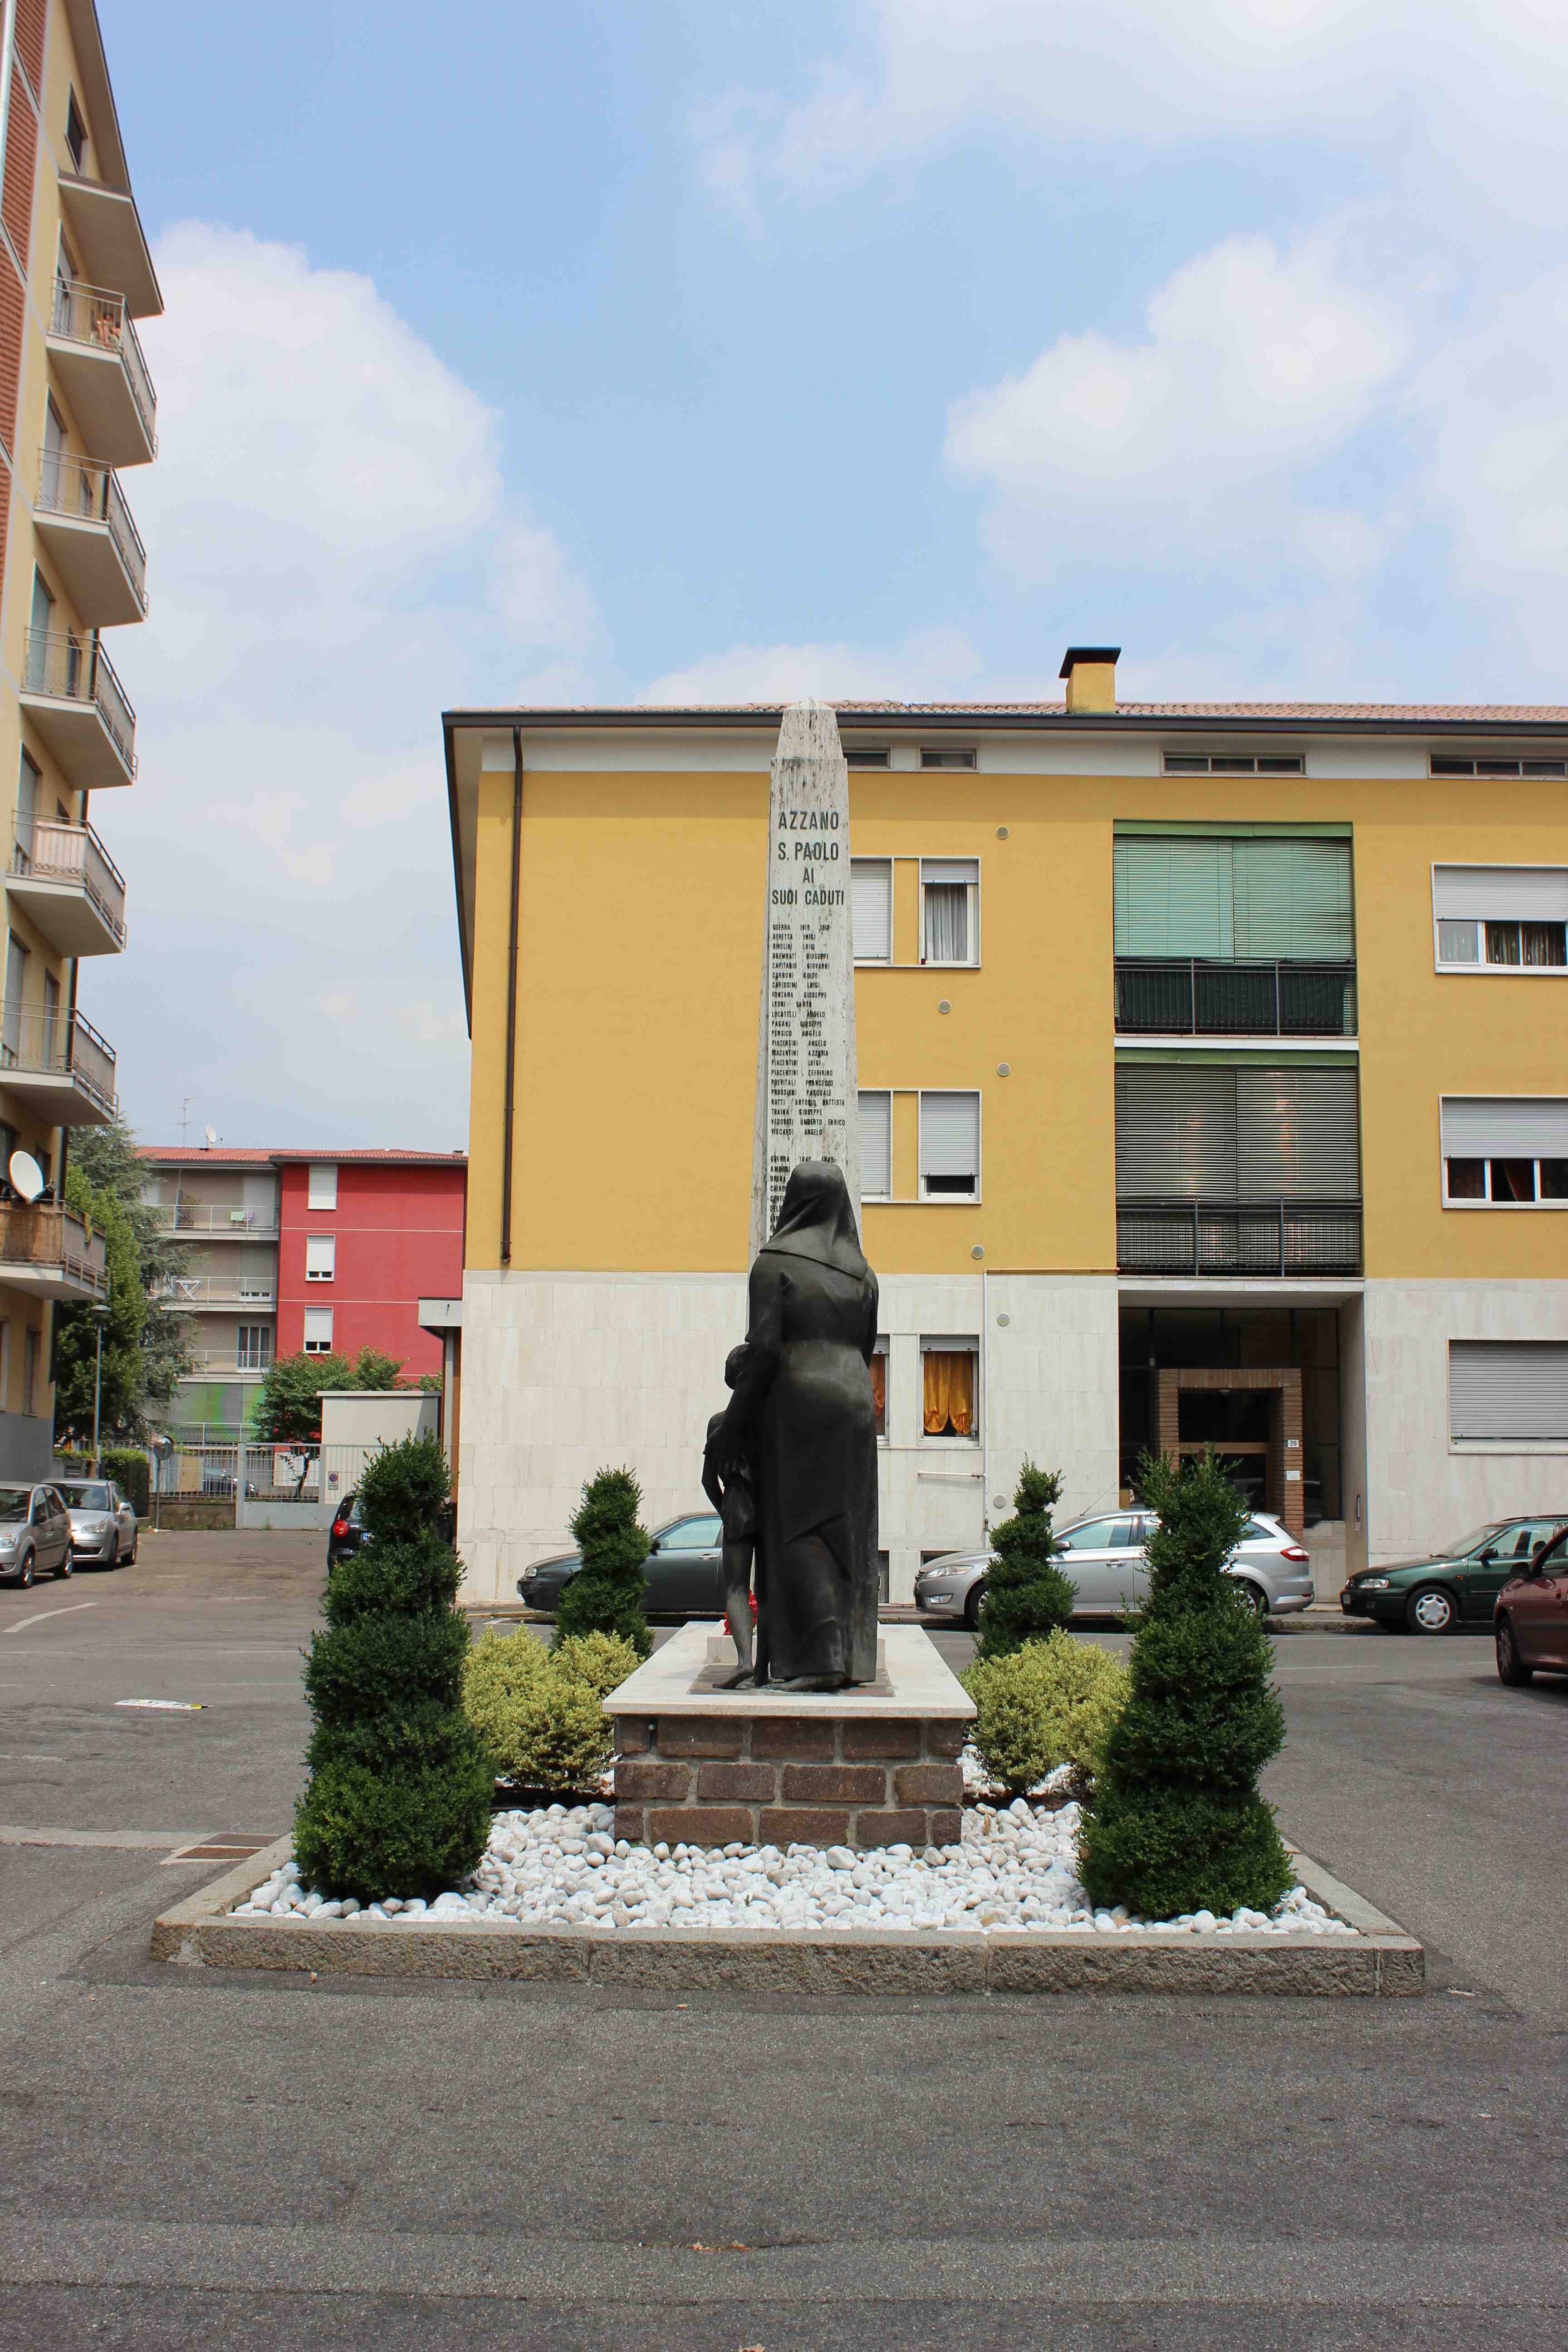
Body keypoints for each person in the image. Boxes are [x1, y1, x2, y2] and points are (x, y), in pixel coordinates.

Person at [709, 1159, 879, 1690]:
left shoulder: (774, 1265)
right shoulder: (864, 1274)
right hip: (856, 1401)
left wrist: (734, 1426)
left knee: (798, 1527)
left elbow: (761, 1353)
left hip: (799, 1399)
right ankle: (851, 1658)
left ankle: (817, 1660)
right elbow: (867, 1347)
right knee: (846, 1526)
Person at [702, 1346, 757, 1689]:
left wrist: (726, 1506)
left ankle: (744, 1662)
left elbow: (708, 1480)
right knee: (772, 1586)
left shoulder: (719, 1423)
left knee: (737, 1587)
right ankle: (771, 1661)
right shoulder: (774, 1418)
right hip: (775, 1505)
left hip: (738, 1504)